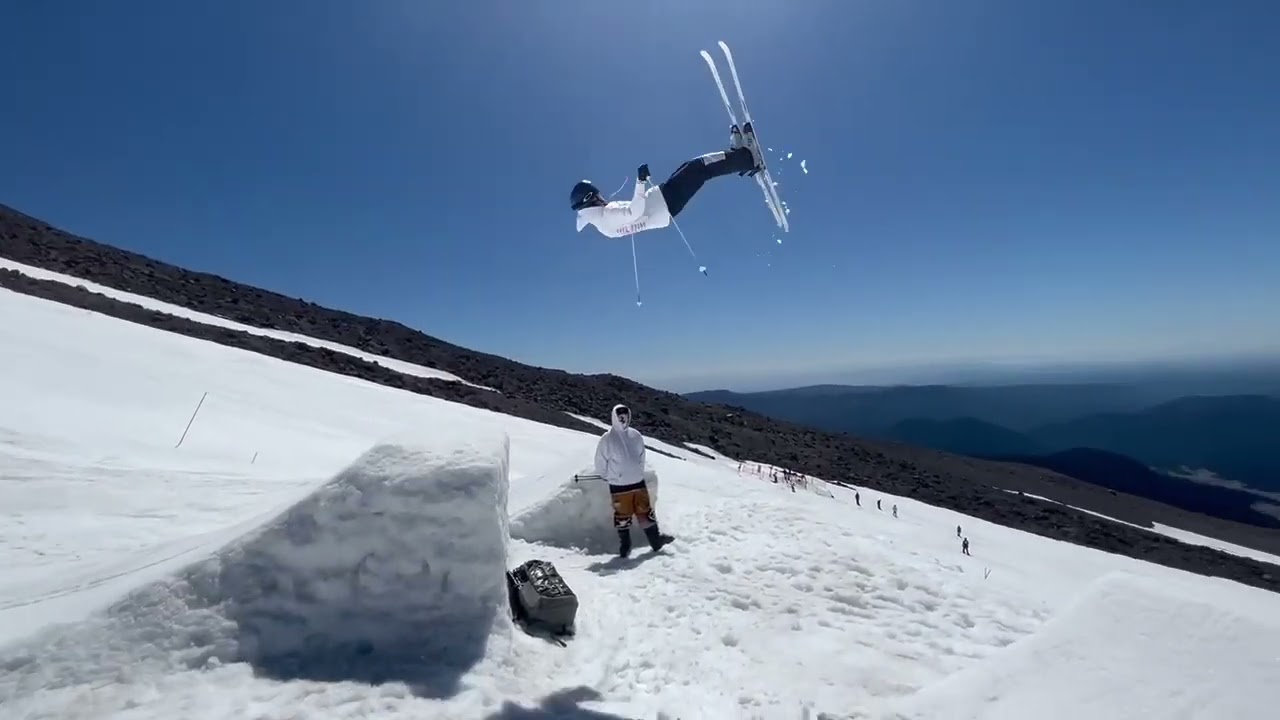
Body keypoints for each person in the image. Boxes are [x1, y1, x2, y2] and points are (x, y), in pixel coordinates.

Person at [571, 124, 763, 239]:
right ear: (590, 198)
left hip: (664, 204)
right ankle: (748, 158)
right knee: (699, 168)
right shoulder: (606, 214)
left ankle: (736, 157)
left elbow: (632, 218)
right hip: (666, 202)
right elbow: (634, 211)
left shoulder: (603, 225)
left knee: (690, 167)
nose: (603, 197)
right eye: (598, 195)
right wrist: (640, 181)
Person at [594, 403, 675, 557]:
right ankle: (625, 547)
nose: (623, 419)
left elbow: (641, 456)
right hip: (618, 485)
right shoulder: (607, 439)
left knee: (645, 512)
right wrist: (608, 476)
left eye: (625, 416)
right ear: (614, 417)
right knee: (622, 516)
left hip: (638, 482)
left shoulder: (635, 435)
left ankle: (656, 541)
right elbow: (600, 461)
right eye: (620, 416)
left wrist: (638, 471)